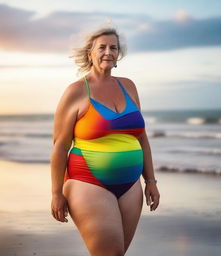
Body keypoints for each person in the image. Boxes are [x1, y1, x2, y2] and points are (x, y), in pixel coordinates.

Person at [50, 26, 160, 256]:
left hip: (131, 185)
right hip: (88, 181)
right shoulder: (76, 91)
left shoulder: (129, 86)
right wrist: (56, 193)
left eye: (114, 47)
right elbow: (60, 146)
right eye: (102, 47)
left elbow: (141, 137)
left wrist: (150, 180)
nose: (108, 52)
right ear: (90, 52)